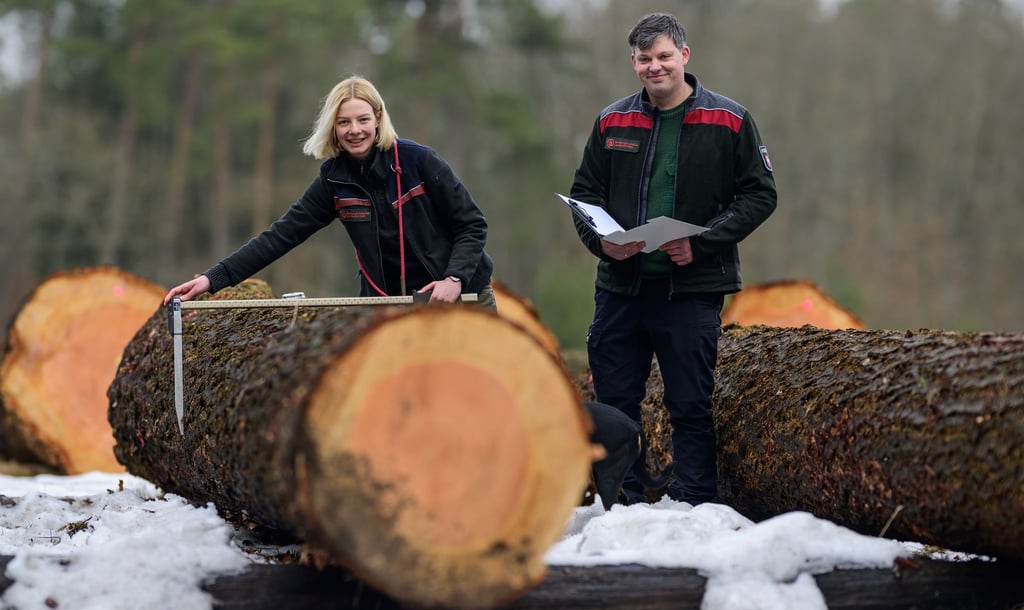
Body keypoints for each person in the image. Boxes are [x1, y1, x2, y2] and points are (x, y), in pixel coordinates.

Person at [569, 13, 777, 506]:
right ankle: (623, 504)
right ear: (633, 62)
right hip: (621, 288)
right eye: (645, 59)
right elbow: (583, 195)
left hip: (691, 288)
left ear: (684, 55)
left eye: (664, 56)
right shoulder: (611, 121)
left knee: (690, 404)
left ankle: (694, 504)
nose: (655, 67)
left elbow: (760, 195)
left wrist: (701, 243)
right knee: (615, 404)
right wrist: (601, 242)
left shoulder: (730, 120)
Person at [163, 75, 496, 309]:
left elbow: (472, 224)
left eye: (362, 119)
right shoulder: (333, 180)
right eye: (343, 122)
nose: (355, 130)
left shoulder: (419, 160)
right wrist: (212, 279)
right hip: (391, 306)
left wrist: (454, 279)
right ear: (333, 128)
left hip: (461, 296)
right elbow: (280, 236)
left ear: (378, 119)